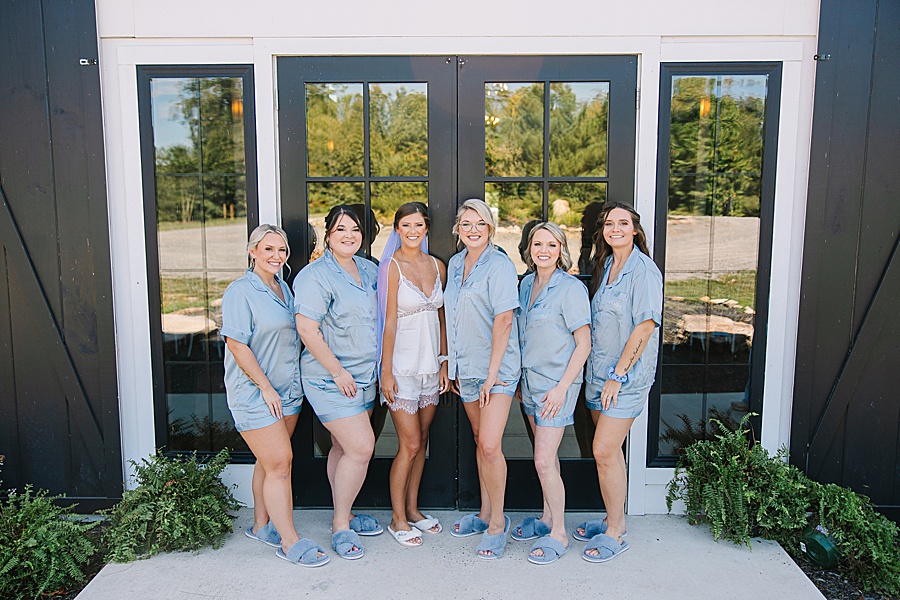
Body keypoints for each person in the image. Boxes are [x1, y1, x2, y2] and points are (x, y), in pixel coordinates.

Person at [221, 224, 329, 567]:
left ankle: (261, 524)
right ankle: (289, 540)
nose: (276, 256)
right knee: (281, 464)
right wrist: (265, 387)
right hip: (256, 394)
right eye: (268, 249)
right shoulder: (240, 291)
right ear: (252, 251)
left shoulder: (284, 287)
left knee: (268, 463)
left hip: (288, 392)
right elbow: (236, 344)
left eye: (281, 250)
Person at [293, 205, 383, 560]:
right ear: (328, 233)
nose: (349, 235)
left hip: (365, 376)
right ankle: (341, 525)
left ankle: (342, 512)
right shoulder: (315, 276)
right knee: (361, 448)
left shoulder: (370, 269)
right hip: (331, 378)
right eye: (341, 229)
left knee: (343, 449)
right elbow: (307, 328)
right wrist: (337, 371)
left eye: (356, 230)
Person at [575, 202, 663, 563]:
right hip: (598, 374)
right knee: (609, 454)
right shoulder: (608, 264)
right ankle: (615, 518)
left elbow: (645, 326)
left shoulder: (644, 270)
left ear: (635, 230)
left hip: (623, 380)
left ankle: (615, 532)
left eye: (623, 223)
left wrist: (618, 375)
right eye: (610, 224)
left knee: (603, 450)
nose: (615, 229)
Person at [445, 198, 521, 559]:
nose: (472, 230)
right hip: (467, 369)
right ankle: (485, 512)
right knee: (479, 439)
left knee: (490, 444)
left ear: (490, 228)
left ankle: (497, 523)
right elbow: (452, 316)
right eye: (466, 224)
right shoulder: (456, 263)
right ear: (458, 229)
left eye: (480, 224)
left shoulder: (500, 265)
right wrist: (451, 364)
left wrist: (492, 375)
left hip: (497, 372)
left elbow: (504, 320)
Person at [511, 222, 591, 565]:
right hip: (529, 381)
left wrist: (561, 388)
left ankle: (559, 531)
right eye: (538, 244)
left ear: (561, 250)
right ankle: (546, 518)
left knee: (542, 460)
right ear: (529, 249)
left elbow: (583, 344)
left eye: (552, 245)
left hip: (557, 386)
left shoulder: (570, 289)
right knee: (548, 457)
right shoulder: (526, 283)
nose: (544, 250)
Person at [377, 202, 450, 547]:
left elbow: (443, 318)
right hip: (401, 368)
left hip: (430, 366)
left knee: (422, 442)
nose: (412, 230)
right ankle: (397, 518)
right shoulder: (391, 266)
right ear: (397, 229)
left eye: (418, 224)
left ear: (426, 228)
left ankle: (413, 509)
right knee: (409, 444)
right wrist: (386, 370)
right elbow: (389, 320)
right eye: (406, 224)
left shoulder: (438, 265)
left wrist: (445, 362)